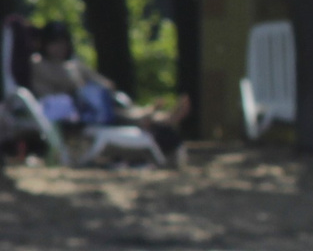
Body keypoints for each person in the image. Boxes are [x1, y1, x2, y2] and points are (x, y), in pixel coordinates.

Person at [22, 22, 189, 160]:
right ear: (45, 44)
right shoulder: (38, 64)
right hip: (71, 116)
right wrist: (75, 90)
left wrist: (93, 89)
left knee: (113, 106)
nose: (60, 47)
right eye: (55, 43)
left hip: (91, 110)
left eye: (63, 42)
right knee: (113, 113)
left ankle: (154, 116)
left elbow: (105, 84)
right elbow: (45, 95)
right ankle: (156, 117)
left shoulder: (74, 64)